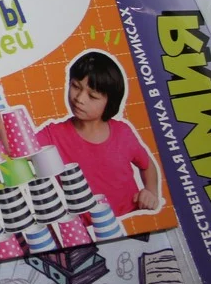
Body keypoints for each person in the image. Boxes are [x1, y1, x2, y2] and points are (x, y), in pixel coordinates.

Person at [35, 51, 161, 216]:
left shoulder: (123, 132)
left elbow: (147, 165)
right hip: (88, 227)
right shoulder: (52, 134)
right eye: (75, 86)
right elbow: (19, 151)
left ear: (110, 102)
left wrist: (151, 192)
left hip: (131, 217)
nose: (80, 99)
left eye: (92, 96)